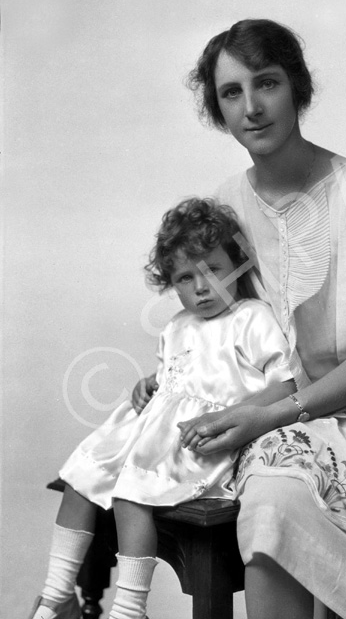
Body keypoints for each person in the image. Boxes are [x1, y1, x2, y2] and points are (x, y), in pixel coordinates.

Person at [135, 19, 346, 619]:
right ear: (218, 108)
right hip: (305, 423)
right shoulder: (229, 207)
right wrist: (173, 384)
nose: (252, 107)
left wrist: (266, 417)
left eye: (267, 84)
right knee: (271, 497)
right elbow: (224, 332)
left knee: (283, 474)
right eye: (231, 93)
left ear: (298, 89)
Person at [29, 196, 295, 619]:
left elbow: (286, 383)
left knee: (130, 494)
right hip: (154, 434)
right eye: (186, 278)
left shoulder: (251, 317)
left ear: (238, 265)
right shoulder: (177, 326)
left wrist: (231, 417)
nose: (202, 287)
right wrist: (150, 384)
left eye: (213, 270)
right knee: (81, 476)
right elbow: (176, 376)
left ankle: (130, 610)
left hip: (200, 440)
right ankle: (57, 593)